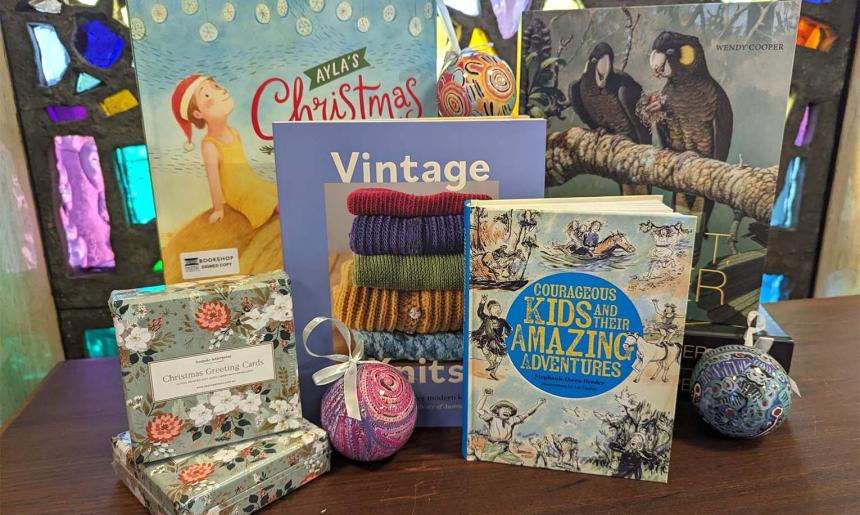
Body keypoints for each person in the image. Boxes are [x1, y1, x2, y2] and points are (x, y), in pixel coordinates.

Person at [171, 74, 278, 227]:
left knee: (282, 193)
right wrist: (218, 209)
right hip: (241, 195)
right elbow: (213, 180)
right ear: (198, 114)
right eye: (207, 94)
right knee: (275, 206)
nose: (220, 91)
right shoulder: (210, 145)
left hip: (255, 184)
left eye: (216, 86)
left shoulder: (233, 132)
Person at [476, 390, 546, 465]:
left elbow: (527, 414)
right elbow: (479, 409)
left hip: (504, 448)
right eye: (505, 409)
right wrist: (485, 395)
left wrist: (538, 404)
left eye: (509, 410)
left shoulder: (512, 420)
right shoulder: (492, 418)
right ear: (497, 410)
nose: (508, 411)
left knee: (519, 463)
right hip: (492, 447)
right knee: (483, 462)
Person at [471, 295, 512, 379]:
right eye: (495, 308)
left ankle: (493, 373)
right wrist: (482, 303)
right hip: (488, 339)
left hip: (498, 341)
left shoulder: (502, 321)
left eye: (499, 308)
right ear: (490, 310)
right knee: (485, 350)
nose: (498, 309)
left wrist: (506, 335)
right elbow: (480, 313)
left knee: (499, 357)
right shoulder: (487, 318)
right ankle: (491, 363)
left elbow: (510, 329)